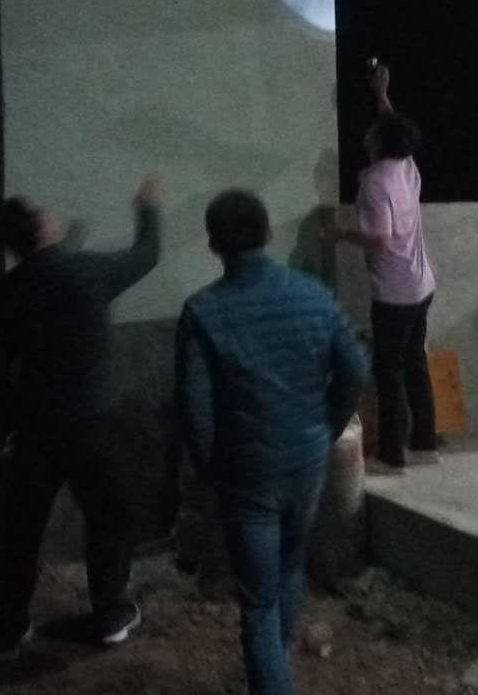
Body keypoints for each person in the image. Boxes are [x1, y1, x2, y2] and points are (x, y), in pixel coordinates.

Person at [177, 190, 368, 695]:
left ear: (214, 244)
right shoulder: (314, 294)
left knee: (258, 602)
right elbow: (355, 368)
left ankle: (273, 672)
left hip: (246, 473)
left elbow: (196, 410)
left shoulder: (202, 312)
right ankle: (277, 662)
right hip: (307, 461)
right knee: (290, 564)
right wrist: (325, 427)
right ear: (267, 233)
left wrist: (209, 473)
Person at [0, 177, 163, 660]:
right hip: (90, 425)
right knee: (109, 517)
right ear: (41, 229)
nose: (52, 214)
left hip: (34, 427)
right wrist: (147, 207)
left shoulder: (6, 293)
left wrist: (3, 429)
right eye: (43, 212)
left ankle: (9, 626)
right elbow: (146, 255)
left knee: (22, 529)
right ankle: (110, 614)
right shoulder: (85, 272)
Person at [326, 62, 437, 472]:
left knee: (388, 370)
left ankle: (392, 452)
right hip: (421, 284)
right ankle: (424, 442)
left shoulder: (374, 183)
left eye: (372, 131)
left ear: (377, 142)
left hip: (394, 291)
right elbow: (394, 125)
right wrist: (381, 93)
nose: (367, 133)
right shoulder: (406, 167)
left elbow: (380, 240)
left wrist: (338, 234)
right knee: (415, 363)